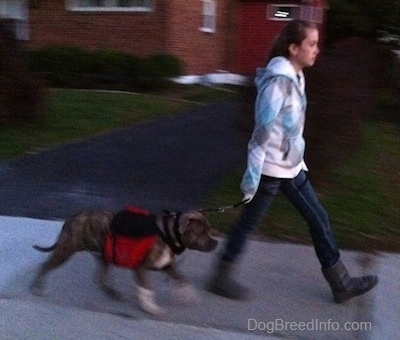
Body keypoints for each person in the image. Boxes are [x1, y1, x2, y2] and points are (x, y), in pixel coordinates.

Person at [207, 19, 378, 303]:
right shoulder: (278, 84)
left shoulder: (295, 76)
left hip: (289, 165)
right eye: (311, 44)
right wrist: (251, 176)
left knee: (302, 218)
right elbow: (261, 133)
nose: (317, 49)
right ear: (293, 48)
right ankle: (340, 283)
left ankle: (340, 283)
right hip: (275, 169)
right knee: (285, 220)